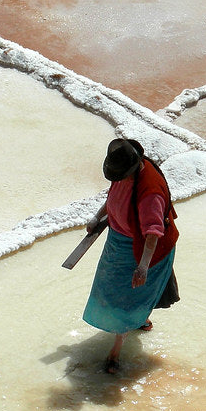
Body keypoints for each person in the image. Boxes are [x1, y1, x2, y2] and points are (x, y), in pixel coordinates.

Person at [82, 138, 179, 374]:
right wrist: (98, 217)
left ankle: (115, 353)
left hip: (143, 248)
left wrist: (143, 267)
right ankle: (141, 319)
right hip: (118, 240)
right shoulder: (126, 173)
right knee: (111, 289)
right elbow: (114, 195)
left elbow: (153, 234)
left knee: (126, 299)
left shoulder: (150, 193)